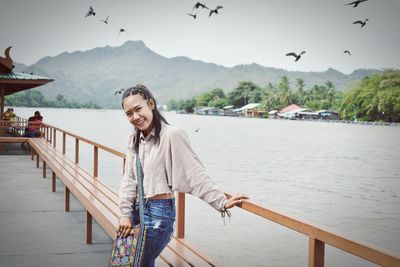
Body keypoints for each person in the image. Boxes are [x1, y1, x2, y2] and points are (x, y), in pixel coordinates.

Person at [118, 84, 248, 267]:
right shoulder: (134, 140)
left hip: (158, 215)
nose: (135, 117)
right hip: (135, 211)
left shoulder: (172, 135)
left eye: (138, 109)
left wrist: (221, 201)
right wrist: (125, 214)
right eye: (129, 113)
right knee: (127, 262)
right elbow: (129, 179)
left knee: (133, 264)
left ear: (151, 104)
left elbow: (194, 173)